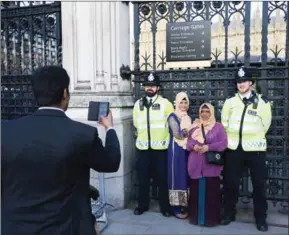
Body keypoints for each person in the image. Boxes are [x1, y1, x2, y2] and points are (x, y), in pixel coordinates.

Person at [1, 66, 121, 235]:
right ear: (65, 93)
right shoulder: (83, 134)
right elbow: (111, 161)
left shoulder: (5, 131)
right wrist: (110, 129)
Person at [221, 66, 272, 232]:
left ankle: (261, 218)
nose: (241, 84)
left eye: (244, 81)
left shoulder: (262, 102)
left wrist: (252, 136)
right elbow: (224, 123)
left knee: (259, 185)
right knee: (231, 183)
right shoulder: (230, 102)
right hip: (234, 148)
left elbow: (266, 124)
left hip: (255, 149)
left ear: (251, 82)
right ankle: (229, 213)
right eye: (239, 82)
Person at [133, 72, 174, 217]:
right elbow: (136, 124)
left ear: (158, 88)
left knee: (162, 180)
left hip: (160, 149)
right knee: (143, 179)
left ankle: (165, 207)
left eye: (153, 86)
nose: (150, 88)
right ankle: (142, 205)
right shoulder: (138, 104)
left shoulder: (165, 104)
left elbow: (173, 124)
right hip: (143, 148)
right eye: (147, 85)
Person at [186, 103, 228, 227]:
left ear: (212, 113)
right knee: (195, 193)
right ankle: (196, 219)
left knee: (211, 194)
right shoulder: (194, 127)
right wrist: (194, 146)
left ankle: (210, 220)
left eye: (207, 111)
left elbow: (223, 143)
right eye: (202, 111)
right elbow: (188, 143)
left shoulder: (218, 127)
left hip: (210, 165)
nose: (204, 114)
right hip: (195, 164)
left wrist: (208, 147)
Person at [167, 92, 191, 219]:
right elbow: (178, 134)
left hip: (186, 150)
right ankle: (175, 208)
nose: (183, 105)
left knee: (184, 177)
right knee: (176, 178)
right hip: (175, 151)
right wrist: (191, 130)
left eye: (185, 102)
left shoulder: (187, 117)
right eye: (181, 102)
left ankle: (184, 205)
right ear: (176, 103)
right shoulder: (173, 116)